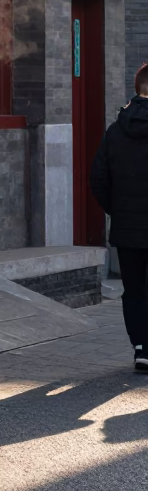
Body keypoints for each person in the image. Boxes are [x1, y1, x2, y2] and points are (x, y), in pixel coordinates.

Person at [91, 62, 148, 373]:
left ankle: (141, 347)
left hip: (127, 228)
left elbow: (98, 179)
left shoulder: (115, 130)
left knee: (134, 289)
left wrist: (118, 210)